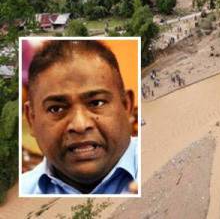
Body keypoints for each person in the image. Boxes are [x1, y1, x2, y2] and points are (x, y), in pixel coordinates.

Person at [21, 40, 139, 195]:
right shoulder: (24, 190)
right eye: (56, 108)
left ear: (126, 106)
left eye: (97, 102)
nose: (80, 125)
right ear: (31, 119)